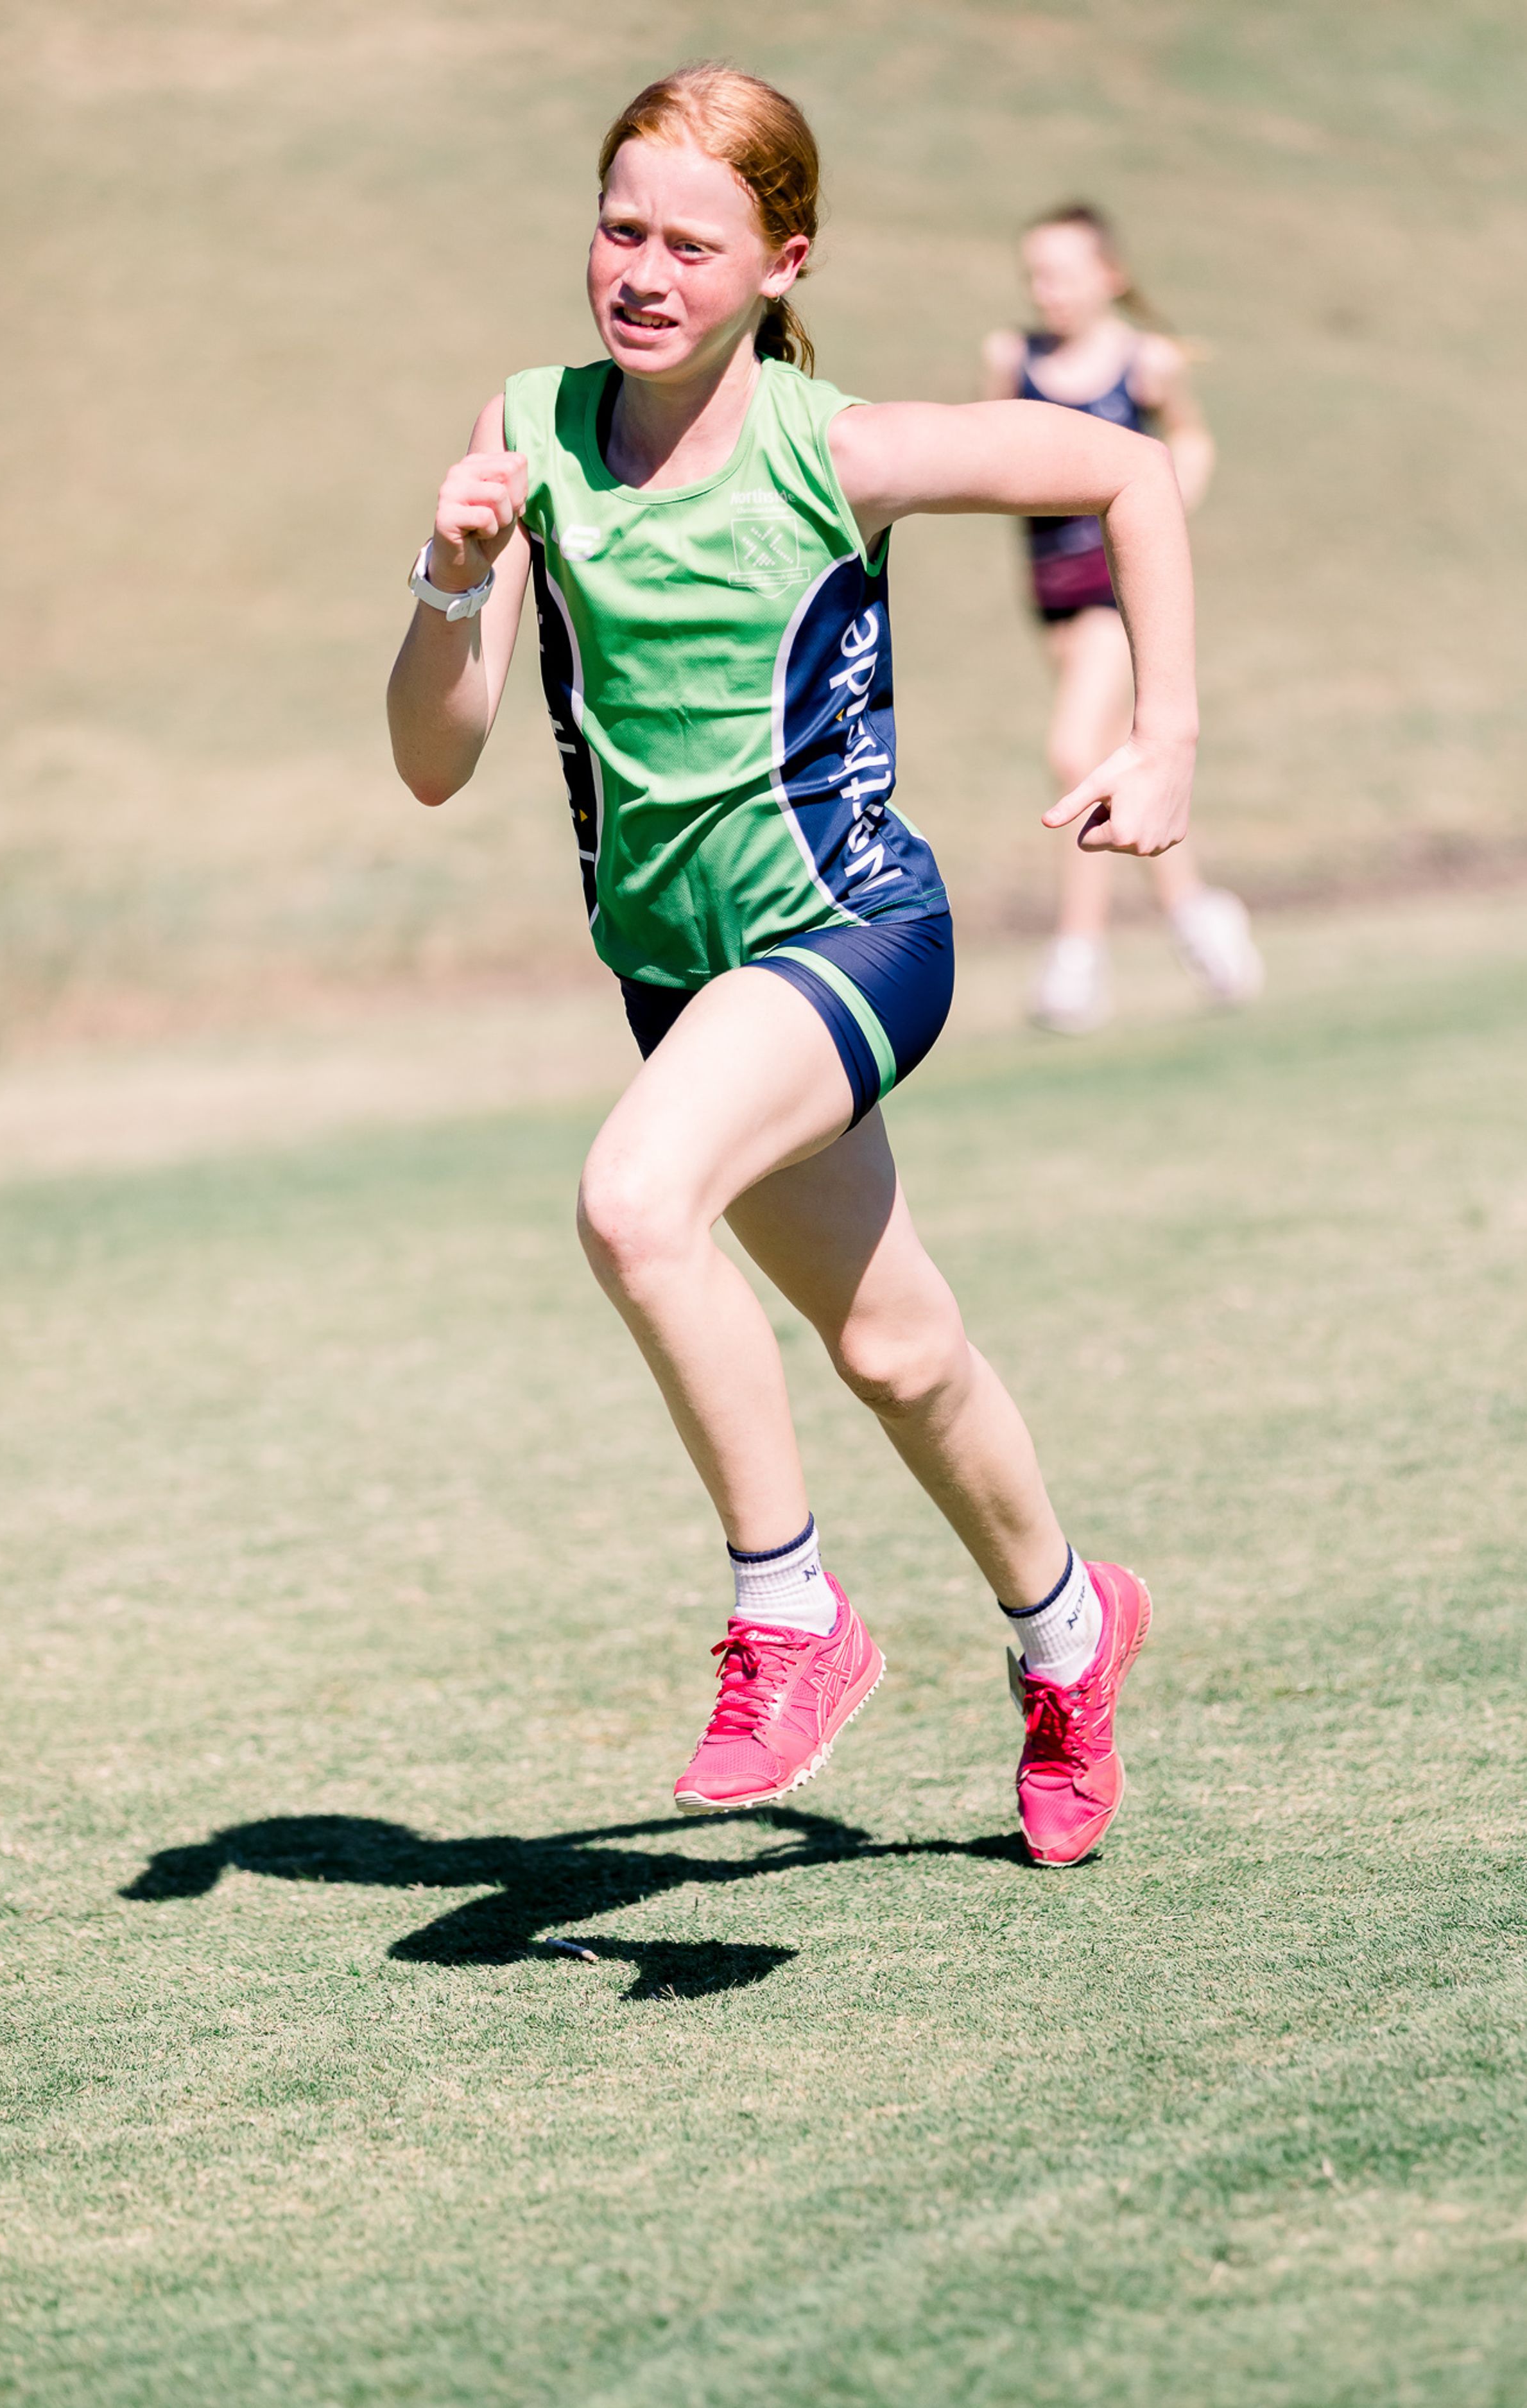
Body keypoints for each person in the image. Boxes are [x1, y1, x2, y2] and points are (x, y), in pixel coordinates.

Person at [386, 67, 1198, 1866]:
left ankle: (791, 1612)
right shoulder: (527, 430)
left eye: (693, 244)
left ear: (783, 262)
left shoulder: (839, 451)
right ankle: (1072, 1632)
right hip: (679, 984)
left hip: (851, 932)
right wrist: (449, 577)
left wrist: (1165, 739)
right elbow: (432, 759)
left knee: (633, 1202)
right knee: (898, 1352)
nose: (643, 272)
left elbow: (1128, 470)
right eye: (620, 229)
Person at [983, 202, 1263, 1034]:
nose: (1049, 291)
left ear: (1110, 277)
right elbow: (986, 452)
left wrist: (1166, 517)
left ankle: (1077, 956)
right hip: (1051, 594)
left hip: (1118, 589)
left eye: (1065, 274)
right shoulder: (1011, 358)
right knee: (1111, 761)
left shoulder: (1146, 363)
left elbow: (1192, 440)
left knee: (1075, 752)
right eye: (1036, 276)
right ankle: (1197, 913)